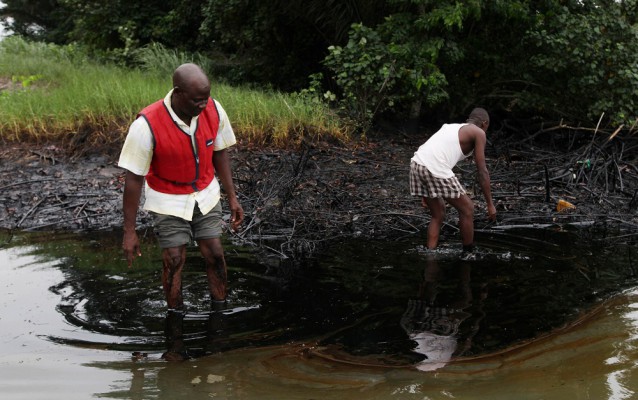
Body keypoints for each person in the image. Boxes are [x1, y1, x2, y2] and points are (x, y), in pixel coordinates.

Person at [119, 63, 244, 311]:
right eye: (197, 100)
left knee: (216, 253)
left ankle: (220, 310)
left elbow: (220, 153)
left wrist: (232, 197)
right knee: (174, 259)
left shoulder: (214, 109)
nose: (203, 105)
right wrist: (129, 231)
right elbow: (133, 179)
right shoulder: (147, 124)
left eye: (206, 98)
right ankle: (175, 317)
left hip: (206, 193)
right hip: (168, 198)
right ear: (178, 92)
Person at [409, 107, 496, 253]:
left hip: (416, 164)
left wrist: (427, 191)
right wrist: (490, 204)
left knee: (438, 214)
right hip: (433, 167)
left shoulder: (450, 127)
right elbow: (482, 171)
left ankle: (430, 254)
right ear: (485, 123)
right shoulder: (479, 132)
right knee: (467, 209)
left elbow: (434, 152)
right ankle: (468, 254)